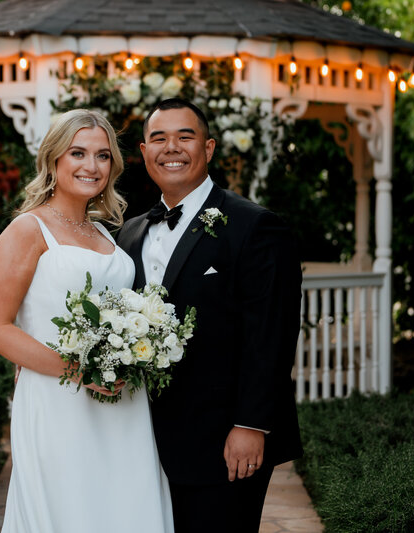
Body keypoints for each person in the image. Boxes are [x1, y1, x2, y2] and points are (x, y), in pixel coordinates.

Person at [0, 109, 174, 533]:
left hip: (123, 402)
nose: (92, 166)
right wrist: (80, 371)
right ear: (53, 160)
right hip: (59, 400)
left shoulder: (105, 232)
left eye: (103, 156)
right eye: (78, 153)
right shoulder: (27, 230)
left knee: (124, 507)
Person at [116, 98, 303, 532]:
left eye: (186, 136)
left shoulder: (255, 226)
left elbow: (271, 334)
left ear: (209, 147)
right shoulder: (129, 232)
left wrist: (251, 425)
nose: (172, 147)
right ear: (143, 153)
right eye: (159, 138)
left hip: (225, 441)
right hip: (144, 442)